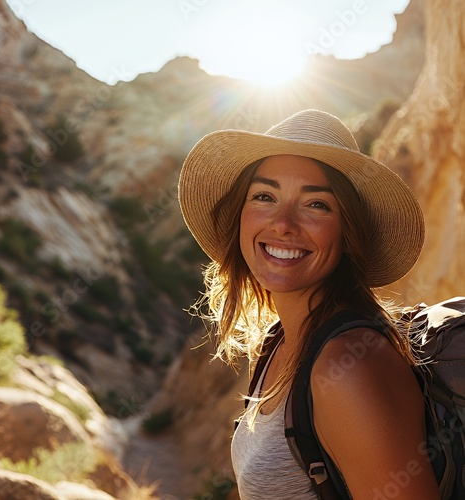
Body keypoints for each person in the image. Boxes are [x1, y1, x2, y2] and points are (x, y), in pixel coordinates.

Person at [178, 109, 441, 499]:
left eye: (316, 204)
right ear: (240, 217)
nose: (283, 223)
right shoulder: (279, 341)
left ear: (348, 230)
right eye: (264, 196)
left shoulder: (348, 366)